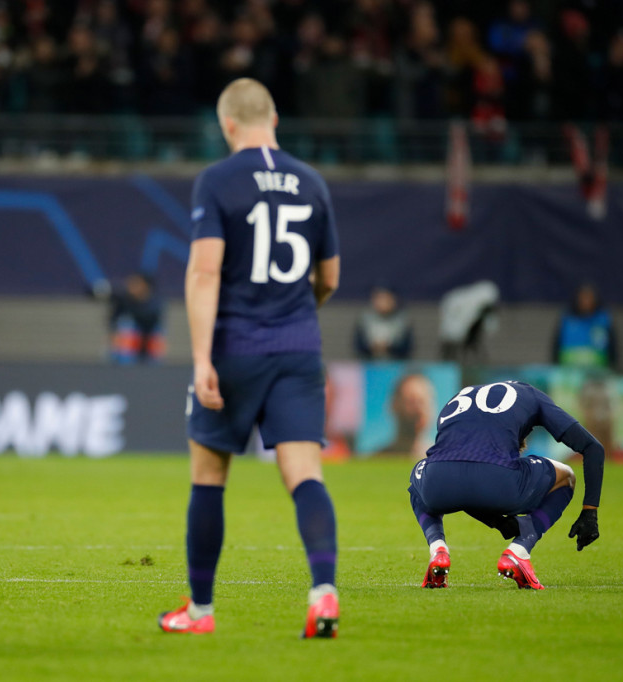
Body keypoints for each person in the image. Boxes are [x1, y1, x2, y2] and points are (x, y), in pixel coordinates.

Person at [158, 78, 341, 638]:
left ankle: (202, 612)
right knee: (304, 473)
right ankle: (324, 593)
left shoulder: (217, 181)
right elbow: (329, 278)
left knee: (209, 476)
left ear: (227, 125)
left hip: (236, 347)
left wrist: (200, 358)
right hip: (298, 348)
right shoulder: (312, 183)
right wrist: (294, 316)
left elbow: (205, 271)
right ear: (275, 117)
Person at [408, 381, 603, 591]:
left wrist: (498, 523)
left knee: (417, 480)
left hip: (438, 483)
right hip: (501, 483)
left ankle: (437, 548)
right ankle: (520, 550)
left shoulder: (459, 396)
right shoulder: (532, 395)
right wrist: (589, 512)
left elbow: (465, 478)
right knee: (567, 476)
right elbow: (593, 448)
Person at [552, 283, 618, 370]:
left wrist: (613, 366)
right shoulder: (567, 319)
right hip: (569, 372)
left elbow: (612, 347)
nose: (586, 301)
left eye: (589, 298)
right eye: (583, 298)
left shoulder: (603, 319)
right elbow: (556, 345)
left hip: (598, 373)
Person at [108, 272, 166, 364]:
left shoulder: (155, 301)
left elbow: (148, 319)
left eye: (136, 283)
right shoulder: (123, 299)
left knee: (129, 323)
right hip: (130, 345)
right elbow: (113, 320)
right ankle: (123, 359)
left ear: (145, 286)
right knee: (125, 323)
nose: (131, 287)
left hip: (148, 338)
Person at [376, 373, 435, 457]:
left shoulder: (444, 460)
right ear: (394, 405)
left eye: (422, 402)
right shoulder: (378, 460)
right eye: (412, 402)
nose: (419, 410)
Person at [354, 285, 413, 360]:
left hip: (396, 365)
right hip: (369, 365)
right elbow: (358, 345)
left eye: (387, 299)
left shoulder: (403, 320)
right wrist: (372, 347)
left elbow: (407, 347)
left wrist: (389, 347)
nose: (383, 303)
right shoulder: (365, 319)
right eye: (379, 298)